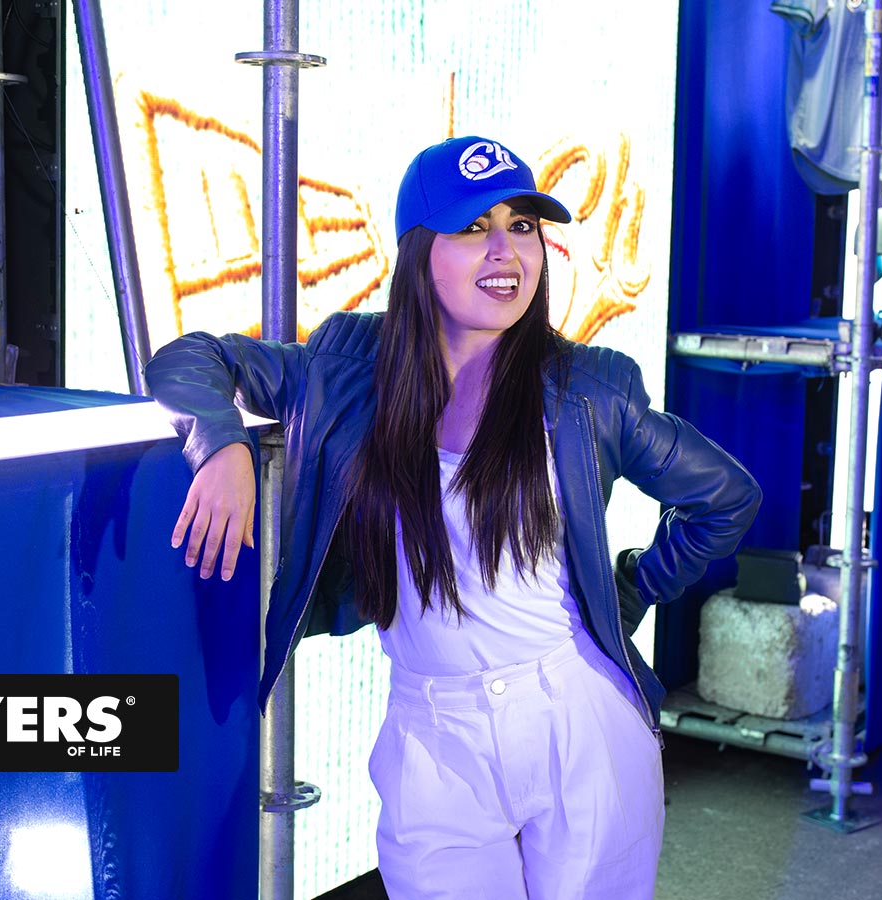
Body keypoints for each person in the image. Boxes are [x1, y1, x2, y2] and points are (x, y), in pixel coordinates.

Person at [145, 135, 761, 899]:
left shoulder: (587, 387)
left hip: (580, 718)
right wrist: (219, 444)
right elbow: (190, 357)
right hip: (432, 733)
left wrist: (630, 588)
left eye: (523, 225)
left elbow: (724, 497)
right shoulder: (346, 367)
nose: (506, 251)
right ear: (418, 252)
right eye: (473, 227)